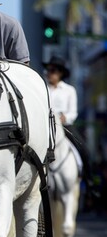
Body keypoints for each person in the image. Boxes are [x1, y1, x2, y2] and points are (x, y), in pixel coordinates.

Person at [43, 55, 95, 195]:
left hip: (64, 126)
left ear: (60, 73)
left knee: (84, 149)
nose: (49, 73)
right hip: (45, 126)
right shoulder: (43, 88)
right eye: (48, 70)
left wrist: (65, 117)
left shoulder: (69, 90)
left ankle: (89, 181)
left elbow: (73, 112)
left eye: (52, 70)